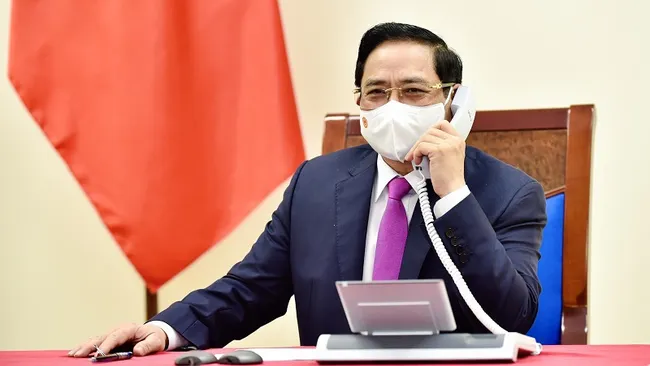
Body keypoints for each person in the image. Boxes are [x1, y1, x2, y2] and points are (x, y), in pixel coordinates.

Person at [69, 22, 546, 358]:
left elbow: (513, 315)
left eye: (414, 91)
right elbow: (250, 289)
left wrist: (453, 196)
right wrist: (164, 328)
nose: (393, 107)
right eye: (377, 92)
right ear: (359, 101)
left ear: (452, 101)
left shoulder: (509, 191)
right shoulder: (316, 183)